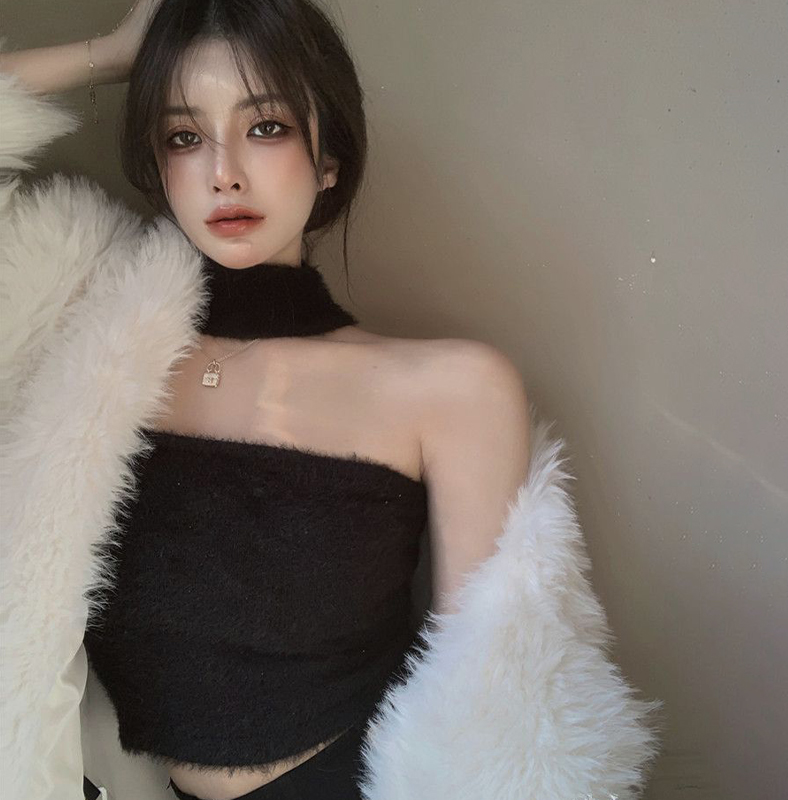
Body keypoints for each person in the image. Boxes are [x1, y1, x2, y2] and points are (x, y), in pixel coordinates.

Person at [0, 2, 663, 799]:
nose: (223, 172)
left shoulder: (450, 387)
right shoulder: (85, 345)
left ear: (329, 162)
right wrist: (112, 55)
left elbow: (492, 700)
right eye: (184, 136)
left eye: (266, 126)